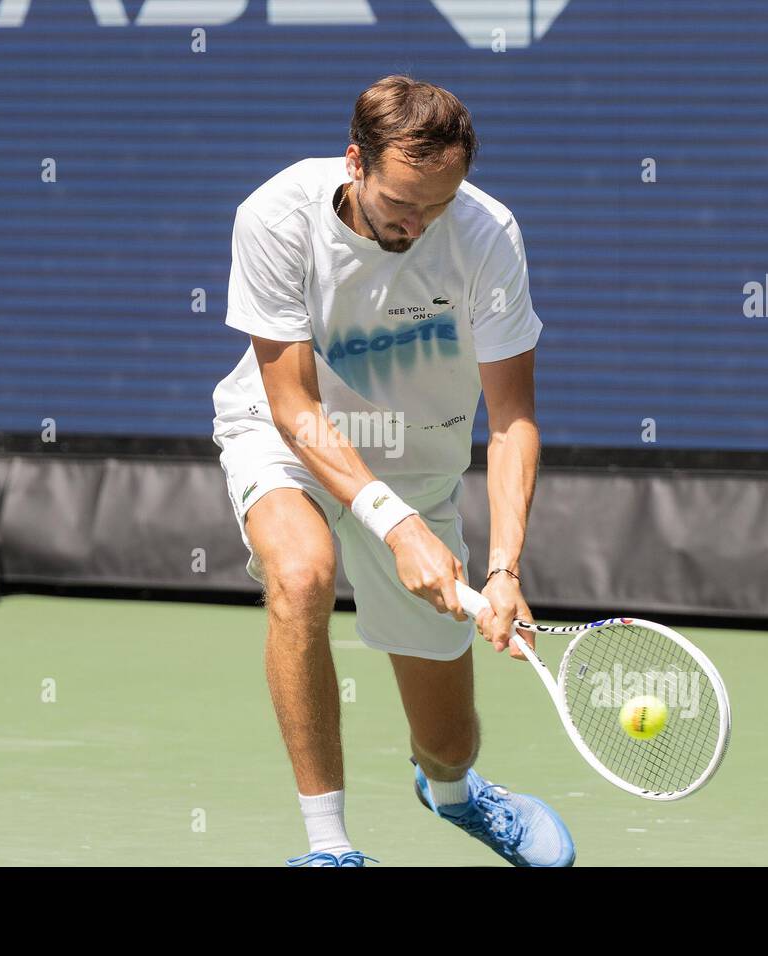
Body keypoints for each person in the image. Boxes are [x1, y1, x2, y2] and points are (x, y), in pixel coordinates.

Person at [211, 75, 574, 867]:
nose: (417, 224)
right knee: (302, 574)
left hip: (419, 464)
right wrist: (393, 525)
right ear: (355, 164)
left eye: (438, 205)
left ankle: (452, 791)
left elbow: (511, 420)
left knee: (448, 742)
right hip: (287, 440)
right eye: (401, 204)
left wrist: (506, 566)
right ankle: (329, 847)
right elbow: (295, 408)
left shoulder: (487, 235)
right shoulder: (275, 216)